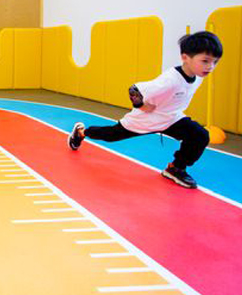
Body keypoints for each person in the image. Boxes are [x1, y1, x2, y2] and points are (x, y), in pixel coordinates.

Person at [67, 31, 223, 189]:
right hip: (145, 120)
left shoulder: (198, 77)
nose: (210, 67)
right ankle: (81, 132)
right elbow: (134, 89)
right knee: (110, 135)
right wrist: (141, 106)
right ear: (185, 57)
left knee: (200, 135)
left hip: (171, 119)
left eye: (215, 62)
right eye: (205, 61)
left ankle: (176, 168)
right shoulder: (170, 80)